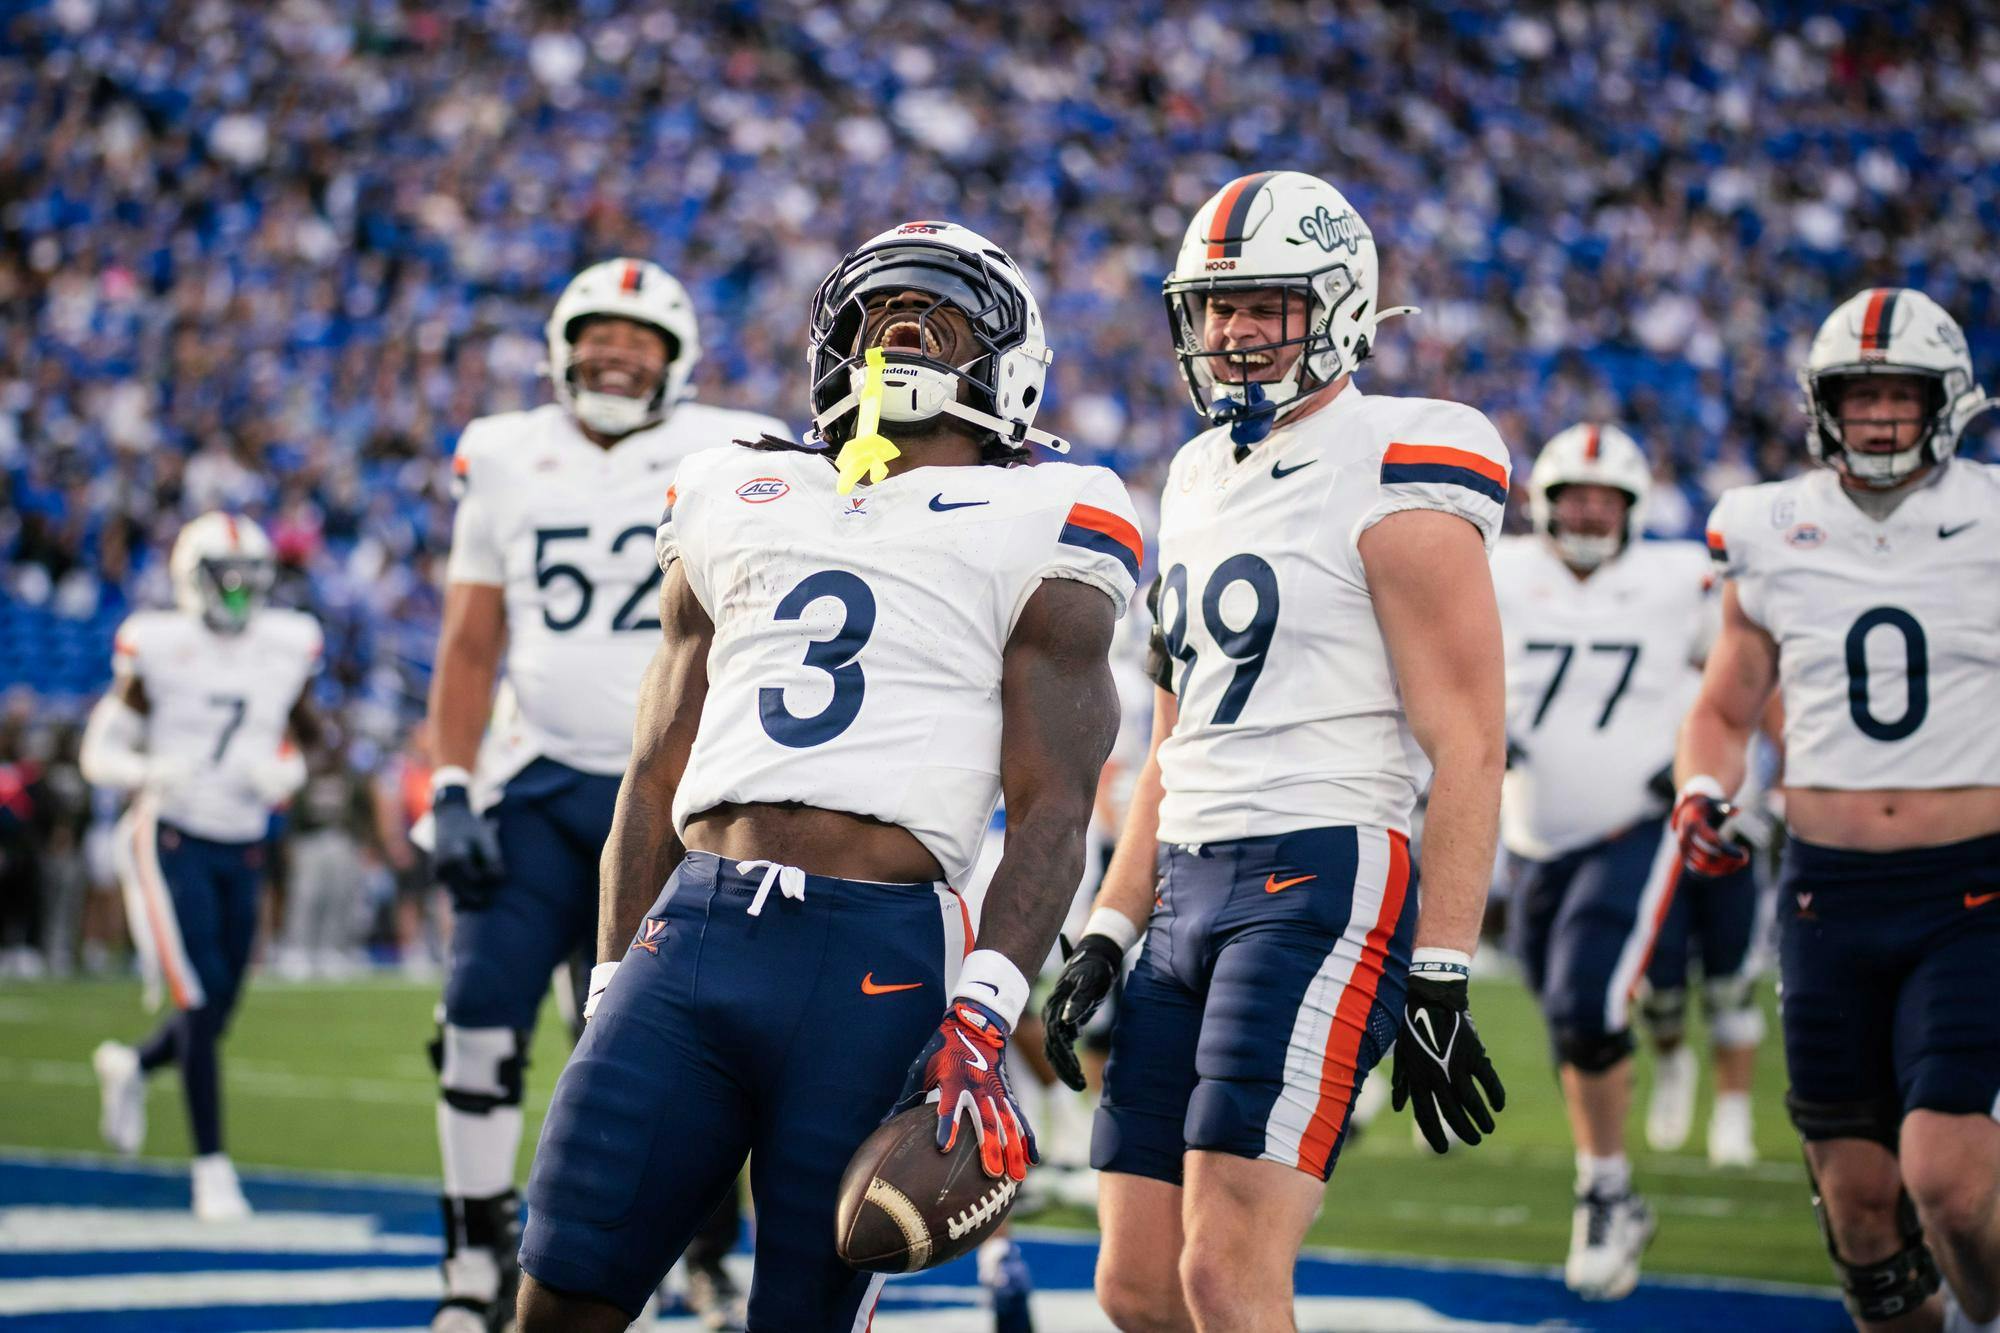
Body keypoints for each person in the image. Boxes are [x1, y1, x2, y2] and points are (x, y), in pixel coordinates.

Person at [514, 220, 1140, 1332]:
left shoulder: (1051, 510)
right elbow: (653, 774)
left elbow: (1054, 806)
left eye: (936, 317)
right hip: (693, 933)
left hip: (877, 953)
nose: (898, 332)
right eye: (874, 313)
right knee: (560, 1291)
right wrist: (610, 985)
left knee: (802, 1313)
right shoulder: (731, 485)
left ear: (1008, 363)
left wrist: (986, 1017)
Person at [1042, 170, 1510, 1332]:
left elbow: (1467, 743)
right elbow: (1170, 735)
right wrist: (1107, 924)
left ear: (1340, 305)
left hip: (1319, 871)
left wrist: (1441, 968)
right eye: (1215, 307)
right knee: (1135, 1286)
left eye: (1267, 305)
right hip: (1187, 881)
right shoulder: (1197, 471)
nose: (1235, 333)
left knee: (1226, 1270)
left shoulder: (1399, 453)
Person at [423, 258, 786, 1333]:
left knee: (672, 1043)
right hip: (533, 789)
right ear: (560, 347)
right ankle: (473, 1259)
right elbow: (470, 637)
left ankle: (710, 1251)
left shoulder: (733, 450)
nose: (615, 357)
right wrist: (448, 781)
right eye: (598, 337)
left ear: (675, 361)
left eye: (640, 341)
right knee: (475, 1021)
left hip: (673, 795)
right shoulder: (500, 455)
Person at [1675, 287, 2000, 1332]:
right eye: (1854, 393)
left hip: (1970, 889)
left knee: (1944, 1176)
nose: (1871, 416)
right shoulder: (1766, 526)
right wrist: (1700, 789)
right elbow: (1724, 703)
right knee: (1859, 1211)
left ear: (1943, 403)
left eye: (1895, 395)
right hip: (1825, 897)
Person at [1492, 421, 1759, 1298]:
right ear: (1547, 501)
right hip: (1531, 838)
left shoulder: (1678, 578)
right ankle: (1611, 1176)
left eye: (1609, 498)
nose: (1593, 511)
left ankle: (1603, 1189)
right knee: (1566, 1010)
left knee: (1586, 1000)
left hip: (1635, 824)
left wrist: (1715, 774)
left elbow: (1746, 674)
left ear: (1636, 507)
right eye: (1577, 496)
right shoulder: (1498, 571)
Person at [80, 512, 320, 1220]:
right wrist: (151, 768)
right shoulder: (158, 644)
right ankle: (211, 1167)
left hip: (243, 838)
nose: (241, 594)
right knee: (195, 994)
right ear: (194, 579)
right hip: (171, 834)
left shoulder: (287, 644)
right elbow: (100, 751)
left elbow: (308, 741)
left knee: (220, 1000)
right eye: (228, 579)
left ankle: (131, 1063)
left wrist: (288, 775)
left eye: (252, 580)